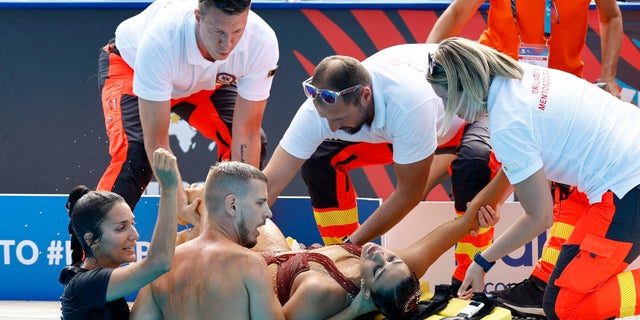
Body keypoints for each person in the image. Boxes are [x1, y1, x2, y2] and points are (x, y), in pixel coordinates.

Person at [426, 1, 623, 316]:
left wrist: (484, 260)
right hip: (618, 171)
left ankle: (543, 281)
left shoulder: (510, 122)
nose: (449, 111)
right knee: (475, 169)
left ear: (464, 86)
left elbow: (539, 216)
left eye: (446, 99)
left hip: (624, 190)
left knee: (564, 307)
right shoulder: (521, 79)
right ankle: (498, 280)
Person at [263, 44, 498, 285]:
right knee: (319, 159)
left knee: (473, 165)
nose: (332, 127)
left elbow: (410, 194)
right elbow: (269, 185)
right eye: (326, 119)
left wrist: (349, 247)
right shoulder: (318, 111)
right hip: (411, 131)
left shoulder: (408, 103)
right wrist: (229, 236)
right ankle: (339, 269)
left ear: (365, 95)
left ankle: (467, 284)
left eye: (340, 118)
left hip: (470, 115)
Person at [95, 0, 279, 226]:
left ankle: (226, 228)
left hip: (204, 84)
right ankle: (88, 256)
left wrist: (244, 208)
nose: (227, 44)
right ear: (198, 17)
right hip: (131, 67)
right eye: (218, 31)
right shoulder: (161, 40)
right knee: (136, 154)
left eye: (237, 31)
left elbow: (247, 132)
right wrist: (179, 204)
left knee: (247, 142)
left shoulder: (261, 41)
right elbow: (156, 141)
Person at [252, 194, 500, 319]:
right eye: (392, 258)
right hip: (287, 253)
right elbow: (466, 222)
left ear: (367, 291)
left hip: (254, 269)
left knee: (224, 197)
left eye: (378, 269)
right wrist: (514, 169)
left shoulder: (321, 290)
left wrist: (351, 313)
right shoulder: (399, 271)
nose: (379, 255)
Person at [130, 161, 285, 320]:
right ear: (232, 205)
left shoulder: (162, 268)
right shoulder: (250, 264)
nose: (268, 213)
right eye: (260, 202)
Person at [59, 148, 180, 319]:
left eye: (132, 223)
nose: (135, 235)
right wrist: (169, 190)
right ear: (91, 240)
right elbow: (159, 263)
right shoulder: (85, 285)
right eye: (120, 228)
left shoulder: (102, 283)